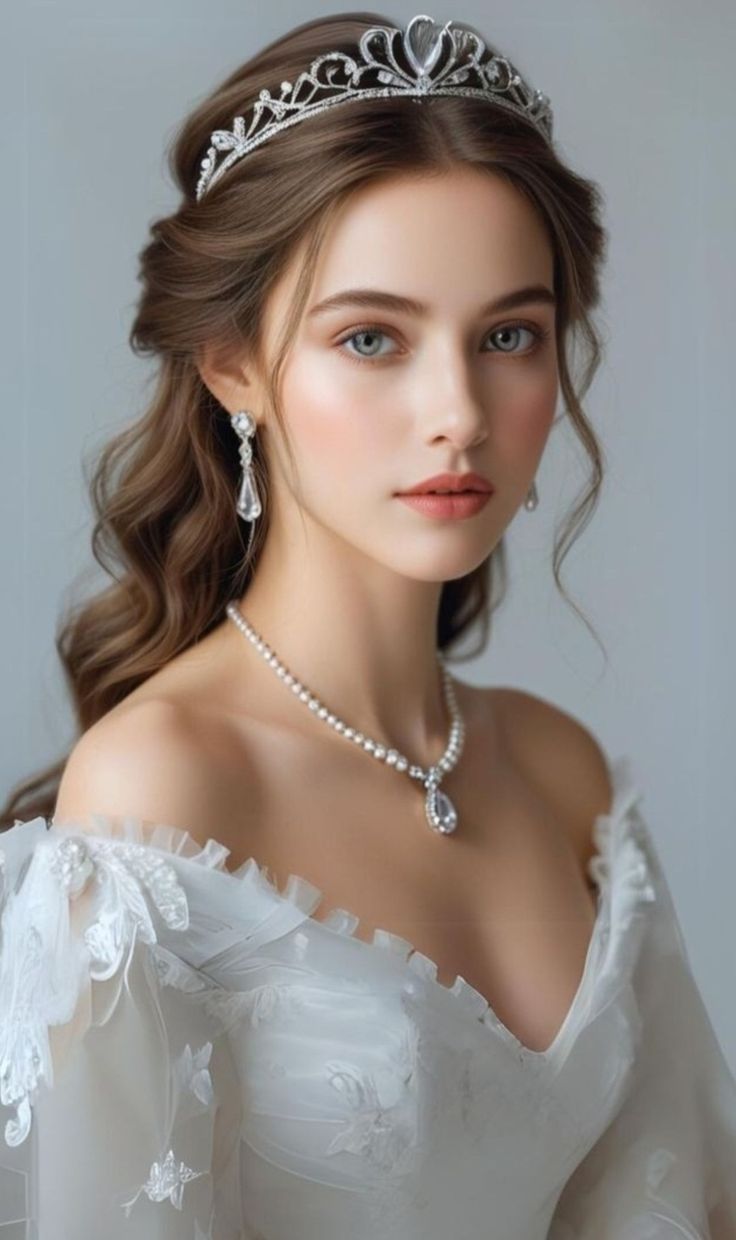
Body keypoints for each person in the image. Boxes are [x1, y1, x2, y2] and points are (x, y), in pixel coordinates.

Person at [1, 11, 734, 1239]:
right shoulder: (165, 790)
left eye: (508, 335)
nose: (457, 412)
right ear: (234, 365)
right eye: (371, 338)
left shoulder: (557, 773)